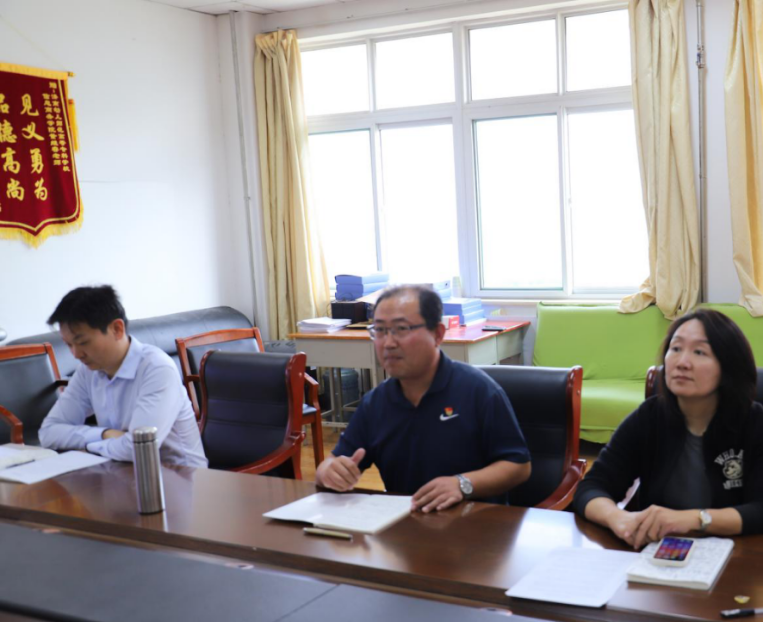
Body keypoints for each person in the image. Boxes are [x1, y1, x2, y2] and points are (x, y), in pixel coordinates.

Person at [315, 285, 531, 513]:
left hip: (476, 524)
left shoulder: (479, 390)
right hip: (406, 522)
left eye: (401, 329)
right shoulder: (375, 402)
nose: (388, 343)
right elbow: (333, 463)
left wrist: (462, 484)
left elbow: (518, 466)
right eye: (379, 330)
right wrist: (328, 471)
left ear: (437, 334)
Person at [574, 309, 763, 548]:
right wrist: (618, 519)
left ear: (728, 366)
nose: (682, 362)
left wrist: (695, 519)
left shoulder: (754, 422)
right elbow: (592, 487)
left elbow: (759, 509)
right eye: (676, 348)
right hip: (660, 555)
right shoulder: (650, 416)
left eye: (699, 352)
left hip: (738, 556)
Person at [39, 286, 207, 468]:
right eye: (69, 345)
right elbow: (48, 433)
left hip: (181, 476)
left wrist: (88, 447)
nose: (76, 354)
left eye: (83, 342)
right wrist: (105, 434)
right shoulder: (87, 371)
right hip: (120, 471)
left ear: (117, 329)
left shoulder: (157, 368)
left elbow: (138, 448)